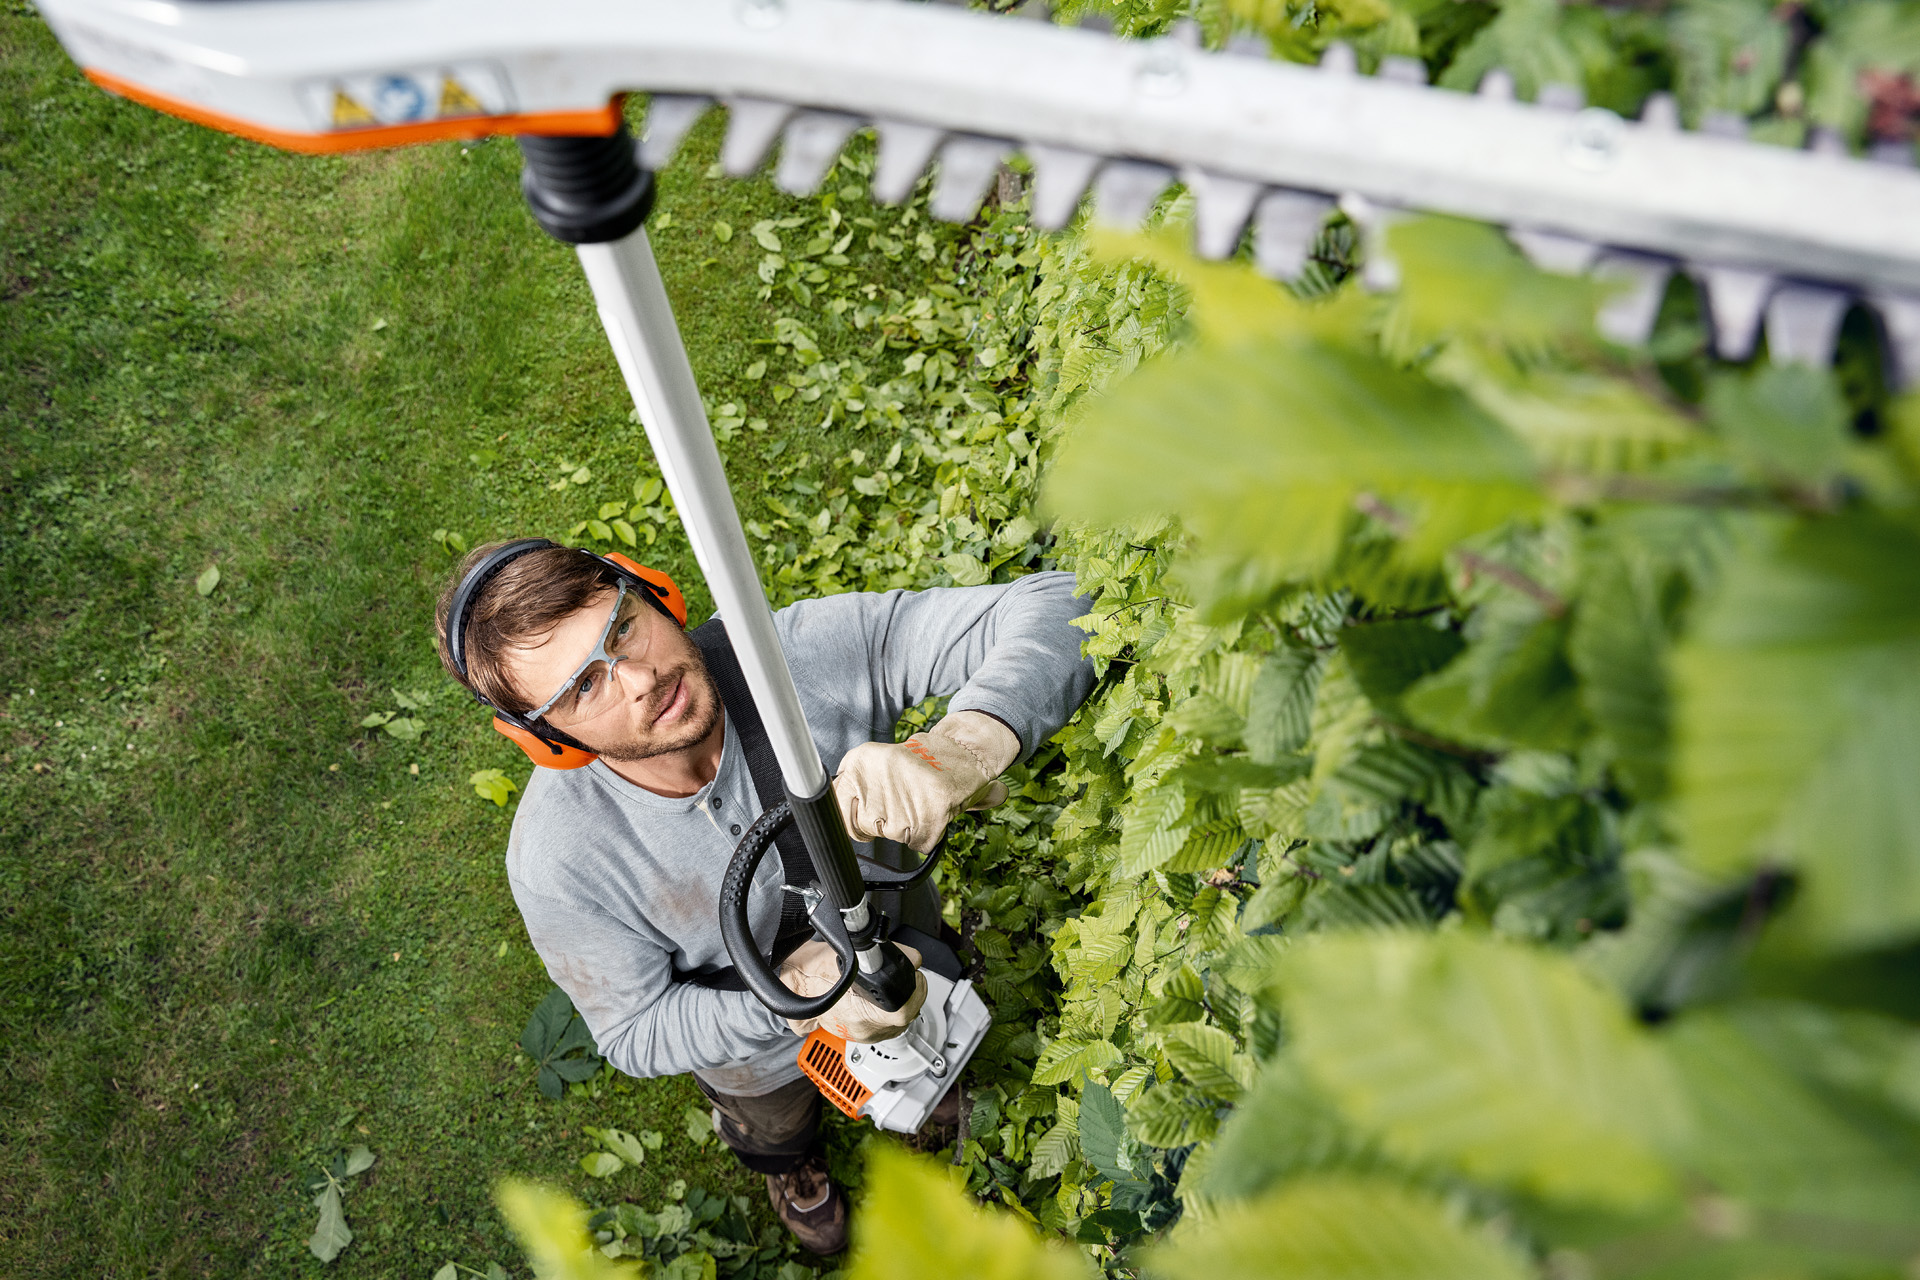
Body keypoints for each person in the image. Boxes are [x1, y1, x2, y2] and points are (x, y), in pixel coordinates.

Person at [434, 539, 1094, 1254]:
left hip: (906, 950)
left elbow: (1070, 605)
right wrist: (786, 1006)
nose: (639, 680)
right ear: (546, 738)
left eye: (621, 627)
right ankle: (792, 1169)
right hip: (756, 1057)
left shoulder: (794, 660)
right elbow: (632, 1029)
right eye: (582, 688)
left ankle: (931, 1098)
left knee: (928, 1040)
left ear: (654, 592)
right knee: (774, 1123)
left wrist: (967, 741)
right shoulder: (560, 859)